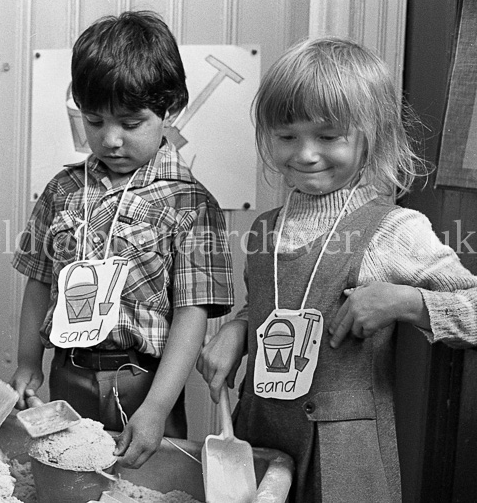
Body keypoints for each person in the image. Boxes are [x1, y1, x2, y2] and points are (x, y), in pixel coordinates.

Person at [198, 37, 477, 502]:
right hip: (260, 440)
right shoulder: (267, 226)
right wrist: (238, 330)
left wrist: (407, 303)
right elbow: (271, 306)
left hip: (344, 460)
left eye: (328, 136)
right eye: (287, 136)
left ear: (372, 136)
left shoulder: (394, 230)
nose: (305, 154)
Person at [10, 10, 235, 469]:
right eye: (94, 122)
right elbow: (38, 281)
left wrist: (155, 407)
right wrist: (28, 362)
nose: (110, 139)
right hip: (68, 371)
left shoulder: (192, 203)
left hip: (146, 381)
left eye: (130, 123)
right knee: (67, 479)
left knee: (143, 485)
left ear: (171, 109)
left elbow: (193, 313)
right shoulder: (61, 190)